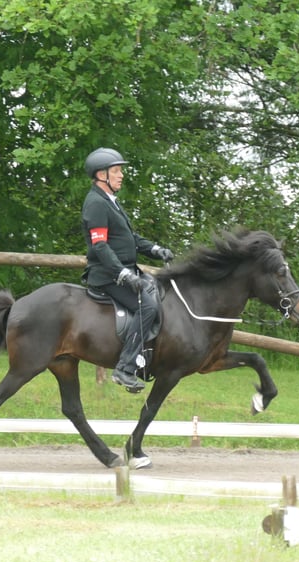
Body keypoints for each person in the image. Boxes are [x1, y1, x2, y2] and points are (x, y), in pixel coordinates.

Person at [81, 147, 174, 393]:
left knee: (157, 296)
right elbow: (100, 246)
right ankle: (125, 367)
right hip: (108, 275)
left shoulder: (109, 201)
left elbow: (129, 237)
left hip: (123, 270)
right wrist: (124, 275)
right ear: (102, 175)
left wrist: (156, 249)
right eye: (116, 171)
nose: (121, 175)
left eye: (120, 170)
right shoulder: (96, 204)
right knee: (148, 305)